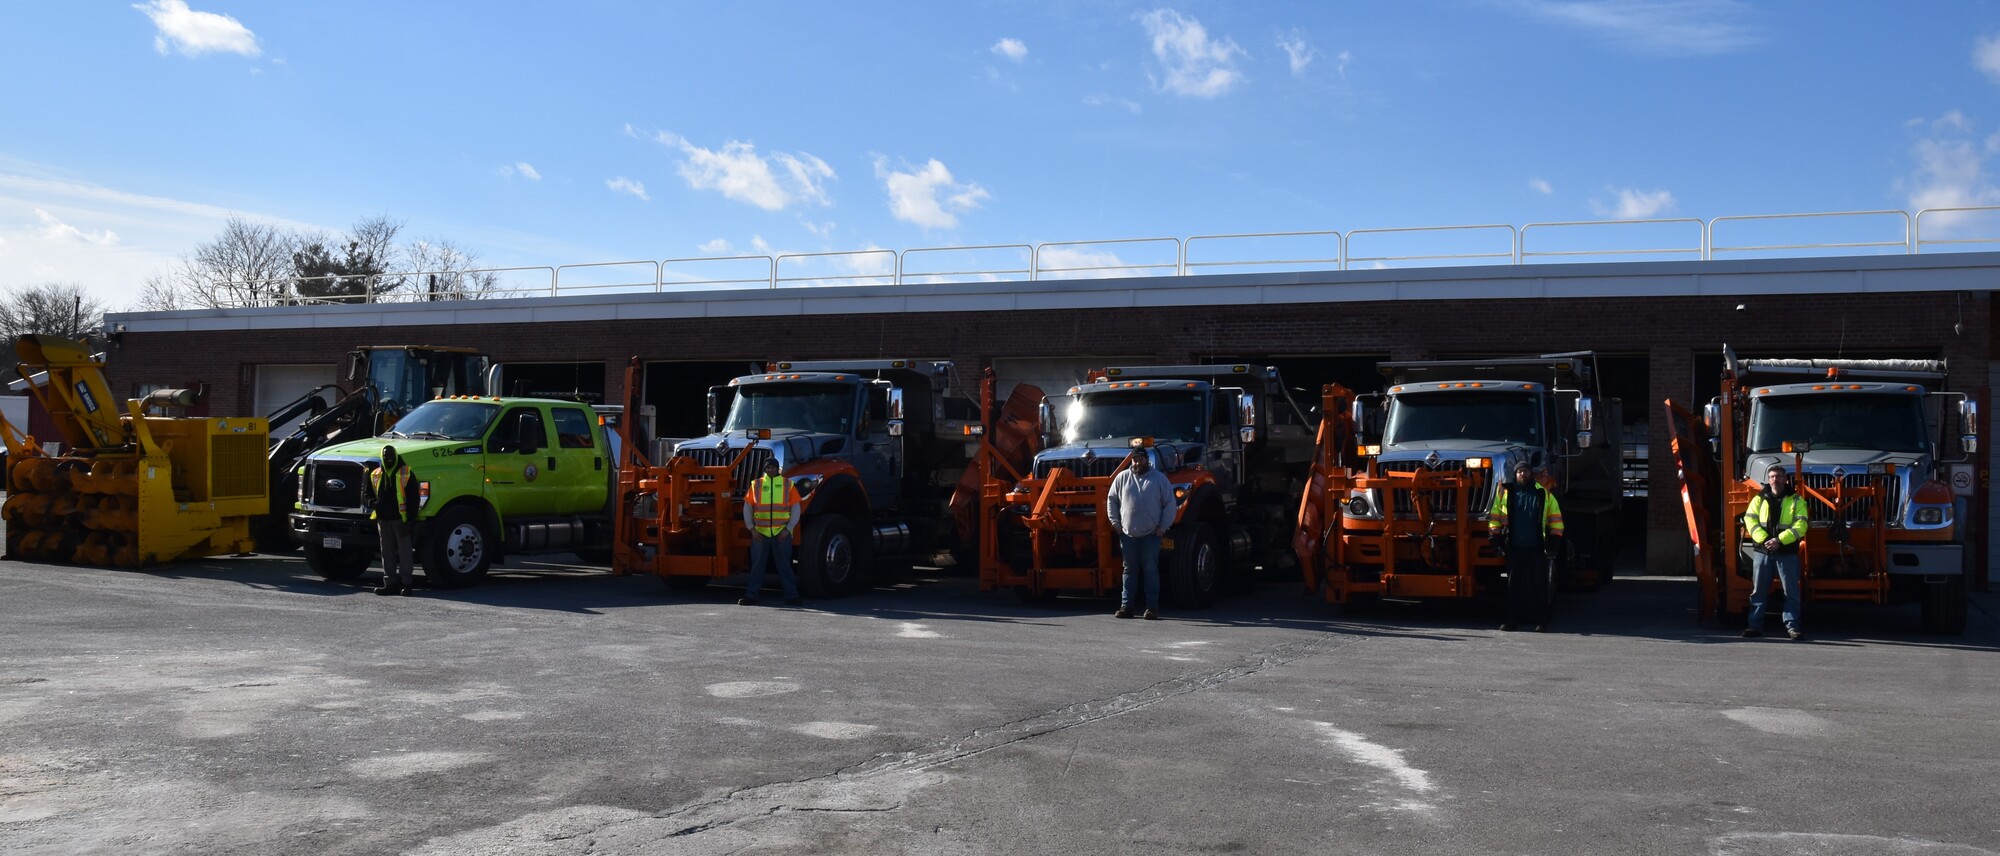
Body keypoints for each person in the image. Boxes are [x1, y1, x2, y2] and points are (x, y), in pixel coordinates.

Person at [1487, 461, 1563, 632]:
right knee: (1513, 586)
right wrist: (1495, 540)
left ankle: (1541, 622)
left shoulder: (1543, 493)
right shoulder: (1505, 493)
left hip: (1537, 548)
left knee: (1539, 586)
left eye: (1525, 471)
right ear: (1515, 475)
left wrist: (1554, 543)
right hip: (1514, 548)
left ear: (1531, 474)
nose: (1522, 474)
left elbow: (1556, 520)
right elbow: (1494, 518)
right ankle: (1511, 622)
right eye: (1519, 472)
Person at [1108, 448, 1176, 621]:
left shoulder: (1159, 479)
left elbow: (1170, 504)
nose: (1137, 463)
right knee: (1129, 570)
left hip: (1151, 535)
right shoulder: (1122, 478)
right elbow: (1112, 500)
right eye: (1134, 460)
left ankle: (1151, 607)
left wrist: (1163, 528)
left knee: (1150, 570)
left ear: (1147, 460)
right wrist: (1115, 524)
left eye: (1140, 459)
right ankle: (1126, 606)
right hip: (1127, 535)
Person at [1742, 465, 1808, 640]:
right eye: (1771, 476)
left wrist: (1778, 541)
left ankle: (1793, 627)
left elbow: (1801, 526)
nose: (1775, 480)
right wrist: (1766, 540)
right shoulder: (1758, 499)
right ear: (1768, 479)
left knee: (1791, 592)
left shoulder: (1797, 500)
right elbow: (1750, 520)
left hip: (1786, 552)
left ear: (1785, 479)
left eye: (1778, 476)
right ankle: (1754, 626)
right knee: (1759, 591)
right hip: (1763, 551)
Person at [740, 457, 803, 606]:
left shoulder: (788, 484)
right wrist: (751, 529)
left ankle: (791, 596)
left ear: (777, 468)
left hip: (781, 533)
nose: (770, 470)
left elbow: (796, 509)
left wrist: (788, 529)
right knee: (757, 566)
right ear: (765, 469)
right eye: (767, 467)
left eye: (773, 467)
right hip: (760, 533)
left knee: (785, 566)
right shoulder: (756, 485)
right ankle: (751, 595)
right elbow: (747, 507)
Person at [367, 445, 420, 596]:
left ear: (396, 456)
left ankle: (406, 583)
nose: (388, 457)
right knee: (386, 552)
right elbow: (367, 494)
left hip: (400, 520)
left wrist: (409, 520)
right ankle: (389, 583)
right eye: (385, 455)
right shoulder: (375, 474)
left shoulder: (406, 473)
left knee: (405, 553)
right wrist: (373, 503)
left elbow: (414, 498)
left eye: (390, 455)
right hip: (383, 520)